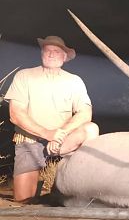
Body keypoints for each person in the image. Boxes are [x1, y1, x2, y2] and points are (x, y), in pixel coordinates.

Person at [5, 36, 99, 202]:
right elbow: (15, 114)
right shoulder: (24, 76)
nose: (51, 54)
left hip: (61, 142)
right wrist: (47, 134)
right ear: (42, 54)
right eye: (47, 50)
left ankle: (84, 181)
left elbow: (85, 113)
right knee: (23, 202)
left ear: (64, 57)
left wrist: (60, 133)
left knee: (91, 129)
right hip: (30, 141)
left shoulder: (74, 81)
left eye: (56, 51)